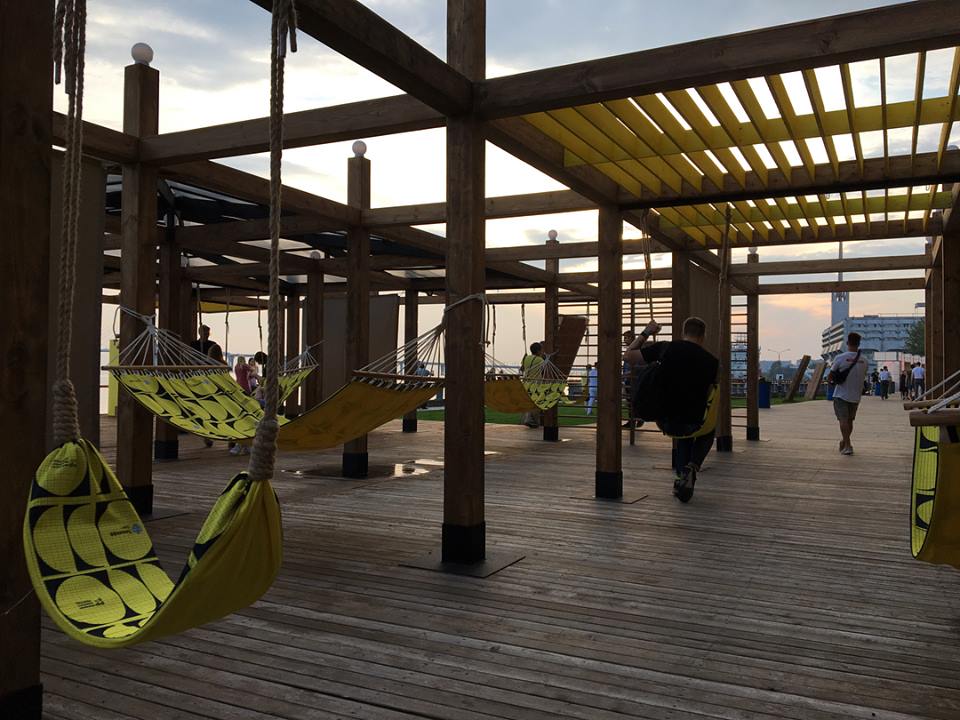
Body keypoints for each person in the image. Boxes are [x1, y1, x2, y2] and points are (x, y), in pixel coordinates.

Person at [624, 317, 719, 503]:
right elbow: (711, 393)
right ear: (703, 336)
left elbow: (628, 356)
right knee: (707, 431)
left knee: (681, 432)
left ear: (683, 332)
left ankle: (681, 478)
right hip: (695, 421)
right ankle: (692, 466)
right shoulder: (712, 362)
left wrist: (647, 332)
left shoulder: (666, 348)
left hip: (666, 419)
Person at [828, 332, 869, 456]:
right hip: (856, 396)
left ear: (847, 343)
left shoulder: (840, 358)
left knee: (843, 420)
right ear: (859, 344)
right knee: (850, 421)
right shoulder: (864, 360)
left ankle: (847, 445)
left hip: (841, 394)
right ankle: (845, 442)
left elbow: (831, 375)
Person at [520, 342, 544, 428]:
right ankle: (530, 420)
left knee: (530, 402)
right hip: (536, 384)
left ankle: (531, 420)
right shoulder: (540, 360)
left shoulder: (526, 358)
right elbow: (545, 370)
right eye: (541, 350)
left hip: (526, 383)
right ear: (538, 351)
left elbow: (522, 369)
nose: (542, 352)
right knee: (536, 404)